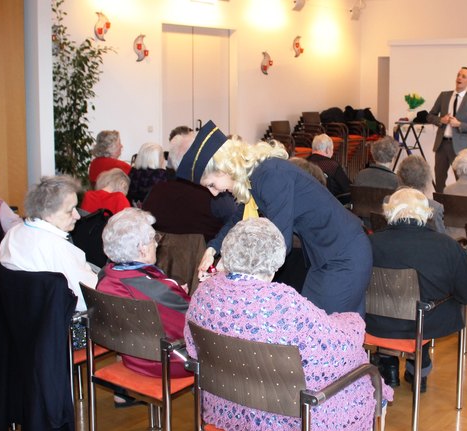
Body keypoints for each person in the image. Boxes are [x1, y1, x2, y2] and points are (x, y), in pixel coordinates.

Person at [184, 218, 392, 431]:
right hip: (284, 422)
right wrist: (352, 321)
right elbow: (339, 345)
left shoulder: (205, 292)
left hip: (228, 409)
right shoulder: (282, 302)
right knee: (368, 388)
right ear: (274, 262)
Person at [179, 120, 372, 316]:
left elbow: (280, 241)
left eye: (212, 184)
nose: (214, 193)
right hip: (325, 255)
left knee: (321, 330)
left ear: (225, 168)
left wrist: (232, 269)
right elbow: (238, 218)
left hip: (344, 255)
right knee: (315, 326)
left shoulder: (271, 175)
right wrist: (213, 249)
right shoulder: (256, 175)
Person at [367, 188, 467, 391]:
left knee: (403, 305)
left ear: (388, 211)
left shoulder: (368, 242)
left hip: (375, 322)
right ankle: (420, 365)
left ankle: (387, 363)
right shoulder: (446, 245)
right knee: (428, 303)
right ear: (427, 213)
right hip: (425, 323)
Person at [96, 208, 191, 378]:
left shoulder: (106, 276)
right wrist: (178, 295)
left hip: (131, 357)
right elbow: (194, 322)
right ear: (142, 249)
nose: (156, 243)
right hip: (168, 361)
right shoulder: (157, 290)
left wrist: (172, 292)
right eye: (153, 238)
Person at [0, 175, 98, 312]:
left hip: (18, 316)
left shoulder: (12, 234)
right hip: (56, 320)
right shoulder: (57, 248)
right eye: (70, 211)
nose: (78, 216)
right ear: (48, 214)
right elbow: (89, 299)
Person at [142, 131, 237, 242]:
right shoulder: (215, 194)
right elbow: (237, 224)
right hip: (209, 257)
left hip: (162, 257)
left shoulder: (156, 191)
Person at [427, 67, 467, 193]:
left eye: (464, 76)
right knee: (440, 179)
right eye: (458, 75)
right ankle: (441, 206)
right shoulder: (444, 96)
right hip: (441, 145)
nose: (459, 78)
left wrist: (459, 124)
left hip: (460, 149)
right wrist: (440, 120)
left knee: (462, 180)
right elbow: (430, 116)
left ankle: (460, 206)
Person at [397, 155, 446, 234]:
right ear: (426, 179)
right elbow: (442, 239)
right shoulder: (434, 208)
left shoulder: (389, 202)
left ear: (399, 176)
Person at [307, 133, 351, 201]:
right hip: (330, 205)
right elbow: (347, 189)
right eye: (332, 149)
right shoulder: (333, 166)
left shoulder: (303, 163)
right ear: (327, 150)